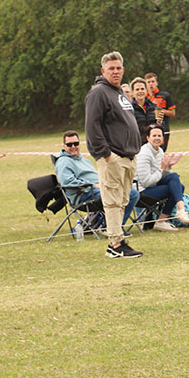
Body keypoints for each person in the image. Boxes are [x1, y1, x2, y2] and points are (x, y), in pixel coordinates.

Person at [84, 51, 144, 258]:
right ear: (103, 71)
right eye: (111, 68)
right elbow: (92, 127)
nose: (116, 71)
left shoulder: (118, 92)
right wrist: (106, 155)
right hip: (112, 157)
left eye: (119, 68)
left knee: (123, 201)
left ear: (123, 70)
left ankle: (118, 239)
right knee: (112, 201)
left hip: (128, 157)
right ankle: (115, 245)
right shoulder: (98, 92)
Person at [55, 130, 139, 226]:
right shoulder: (63, 161)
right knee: (131, 194)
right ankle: (112, 227)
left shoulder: (84, 160)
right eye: (69, 144)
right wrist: (94, 186)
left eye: (76, 143)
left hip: (100, 188)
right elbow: (67, 182)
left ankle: (110, 225)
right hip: (84, 195)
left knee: (129, 192)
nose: (73, 147)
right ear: (64, 146)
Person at [134, 124, 189, 231]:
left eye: (159, 136)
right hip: (141, 192)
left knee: (177, 182)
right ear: (148, 138)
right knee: (176, 188)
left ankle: (164, 219)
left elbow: (161, 176)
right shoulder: (144, 154)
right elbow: (147, 182)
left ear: (163, 138)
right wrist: (161, 169)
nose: (157, 138)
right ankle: (178, 211)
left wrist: (168, 167)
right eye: (154, 135)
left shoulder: (159, 151)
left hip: (153, 186)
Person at [144, 72, 176, 151]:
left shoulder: (165, 95)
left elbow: (172, 113)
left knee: (161, 151)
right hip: (148, 128)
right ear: (146, 84)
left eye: (153, 81)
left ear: (156, 83)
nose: (151, 84)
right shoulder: (144, 97)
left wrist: (161, 111)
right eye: (148, 82)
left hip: (163, 128)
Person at [129, 76, 157, 141]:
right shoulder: (129, 109)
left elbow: (159, 126)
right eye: (137, 89)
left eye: (142, 89)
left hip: (152, 144)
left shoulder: (154, 107)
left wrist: (159, 122)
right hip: (136, 144)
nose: (140, 91)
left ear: (146, 90)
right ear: (132, 92)